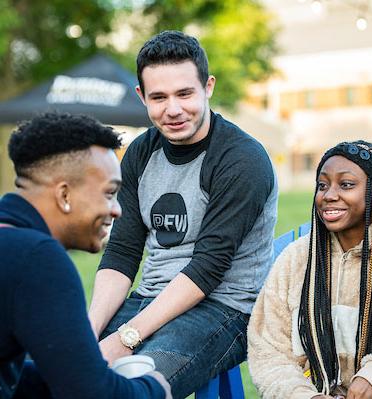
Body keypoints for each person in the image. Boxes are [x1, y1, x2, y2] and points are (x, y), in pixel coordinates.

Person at [88, 30, 278, 398]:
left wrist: (125, 339)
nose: (172, 109)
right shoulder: (141, 153)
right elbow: (122, 253)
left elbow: (208, 268)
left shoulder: (241, 159)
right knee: (52, 369)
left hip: (223, 310)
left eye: (184, 93)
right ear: (142, 96)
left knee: (129, 389)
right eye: (158, 97)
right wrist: (89, 333)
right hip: (150, 299)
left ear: (207, 87)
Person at [0, 112, 171, 399]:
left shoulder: (11, 245)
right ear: (64, 195)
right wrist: (153, 389)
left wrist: (79, 369)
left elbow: (13, 378)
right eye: (109, 193)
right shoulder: (37, 258)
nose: (117, 210)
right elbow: (90, 394)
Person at [248, 140, 372, 399]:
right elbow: (268, 350)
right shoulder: (295, 259)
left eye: (346, 184)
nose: (329, 195)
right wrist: (303, 394)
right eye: (322, 185)